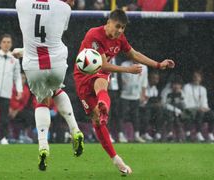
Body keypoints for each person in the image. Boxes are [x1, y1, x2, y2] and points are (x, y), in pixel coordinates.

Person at [73, 9, 175, 175]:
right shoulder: (94, 35)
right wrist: (127, 70)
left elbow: (134, 54)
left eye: (123, 28)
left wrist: (157, 64)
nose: (120, 31)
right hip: (83, 76)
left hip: (100, 75)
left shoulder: (120, 38)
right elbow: (102, 65)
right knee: (97, 115)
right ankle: (104, 112)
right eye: (117, 26)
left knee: (101, 87)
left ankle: (116, 157)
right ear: (109, 23)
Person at [15, 0, 84, 171]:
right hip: (56, 63)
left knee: (42, 100)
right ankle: (75, 129)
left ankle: (43, 145)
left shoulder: (21, 3)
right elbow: (52, 31)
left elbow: (35, 34)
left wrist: (24, 50)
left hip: (33, 65)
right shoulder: (64, 8)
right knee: (57, 89)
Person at [119, 59, 148, 143]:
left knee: (135, 116)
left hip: (136, 95)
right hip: (124, 94)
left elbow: (144, 82)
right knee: (122, 115)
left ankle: (136, 135)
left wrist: (143, 94)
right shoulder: (124, 64)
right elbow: (121, 78)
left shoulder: (144, 67)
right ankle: (120, 135)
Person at [183, 70, 214, 142]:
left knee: (211, 114)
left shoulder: (203, 89)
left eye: (198, 77)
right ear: (192, 78)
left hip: (201, 110)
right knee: (200, 113)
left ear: (201, 78)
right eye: (195, 77)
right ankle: (198, 133)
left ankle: (210, 133)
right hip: (189, 110)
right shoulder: (187, 87)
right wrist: (197, 108)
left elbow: (204, 102)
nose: (196, 78)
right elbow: (185, 102)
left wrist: (205, 108)